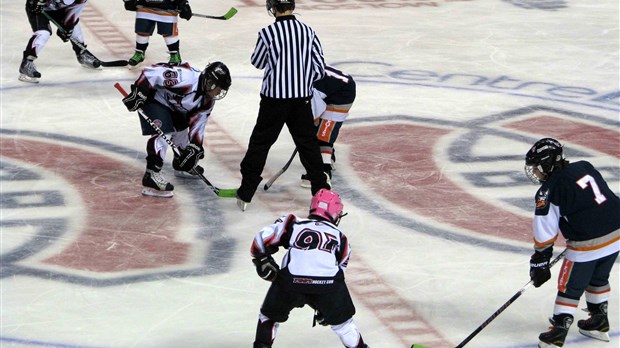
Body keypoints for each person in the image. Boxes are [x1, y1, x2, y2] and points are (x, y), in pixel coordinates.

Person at [236, 0, 331, 212]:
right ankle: (321, 192)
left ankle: (246, 192)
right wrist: (302, 81)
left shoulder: (267, 33)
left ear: (272, 7)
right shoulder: (308, 31)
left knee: (260, 144)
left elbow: (258, 61)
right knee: (308, 145)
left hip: (273, 101)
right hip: (301, 101)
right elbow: (319, 68)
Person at [524, 138, 619, 348]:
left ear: (547, 164)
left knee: (570, 287)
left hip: (587, 244)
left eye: (537, 168)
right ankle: (598, 321)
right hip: (617, 233)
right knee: (598, 277)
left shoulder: (548, 191)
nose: (536, 173)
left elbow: (544, 231)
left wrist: (540, 260)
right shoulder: (584, 166)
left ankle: (558, 331)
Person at [250, 189, 369, 348]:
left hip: (290, 282)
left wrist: (262, 259)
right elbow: (338, 271)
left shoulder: (292, 222)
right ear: (336, 214)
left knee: (269, 317)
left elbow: (261, 238)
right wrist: (325, 306)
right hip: (329, 286)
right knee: (344, 325)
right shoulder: (341, 238)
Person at [121, 61, 231, 197]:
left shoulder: (207, 101)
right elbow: (151, 73)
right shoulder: (186, 78)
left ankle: (181, 164)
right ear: (210, 82)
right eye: (219, 88)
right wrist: (139, 92)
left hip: (174, 107)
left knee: (182, 131)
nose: (219, 92)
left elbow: (198, 124)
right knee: (164, 132)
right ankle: (151, 175)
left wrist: (194, 148)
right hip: (155, 98)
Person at [301, 65, 356, 188]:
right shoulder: (304, 73)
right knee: (319, 130)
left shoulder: (306, 83)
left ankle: (324, 171)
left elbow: (313, 111)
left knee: (324, 134)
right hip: (331, 90)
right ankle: (328, 156)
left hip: (342, 94)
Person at [19, 0, 99, 83]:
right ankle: (26, 63)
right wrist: (33, 2)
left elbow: (73, 11)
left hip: (58, 9)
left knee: (74, 28)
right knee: (44, 33)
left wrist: (68, 27)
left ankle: (82, 54)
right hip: (38, 7)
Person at [123, 0, 192, 67]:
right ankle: (139, 53)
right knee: (142, 30)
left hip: (167, 8)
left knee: (168, 32)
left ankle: (175, 55)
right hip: (144, 7)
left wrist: (183, 4)